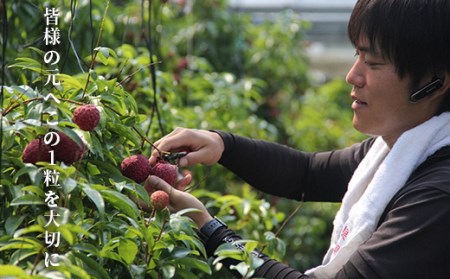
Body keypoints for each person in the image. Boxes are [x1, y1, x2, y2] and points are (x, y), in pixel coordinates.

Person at [146, 0, 450, 278]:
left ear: (433, 83)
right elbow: (307, 173)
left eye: (373, 63)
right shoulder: (397, 151)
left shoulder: (437, 194)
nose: (352, 75)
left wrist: (209, 228)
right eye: (358, 55)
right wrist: (222, 145)